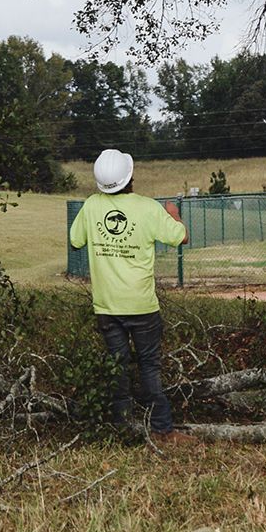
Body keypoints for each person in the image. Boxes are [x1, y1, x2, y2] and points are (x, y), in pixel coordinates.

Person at [69, 148, 188, 437]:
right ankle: (161, 427)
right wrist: (174, 214)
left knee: (117, 366)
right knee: (149, 365)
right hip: (143, 307)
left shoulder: (92, 205)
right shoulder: (148, 208)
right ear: (130, 176)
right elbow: (181, 237)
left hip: (107, 308)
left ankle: (122, 425)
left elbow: (75, 241)